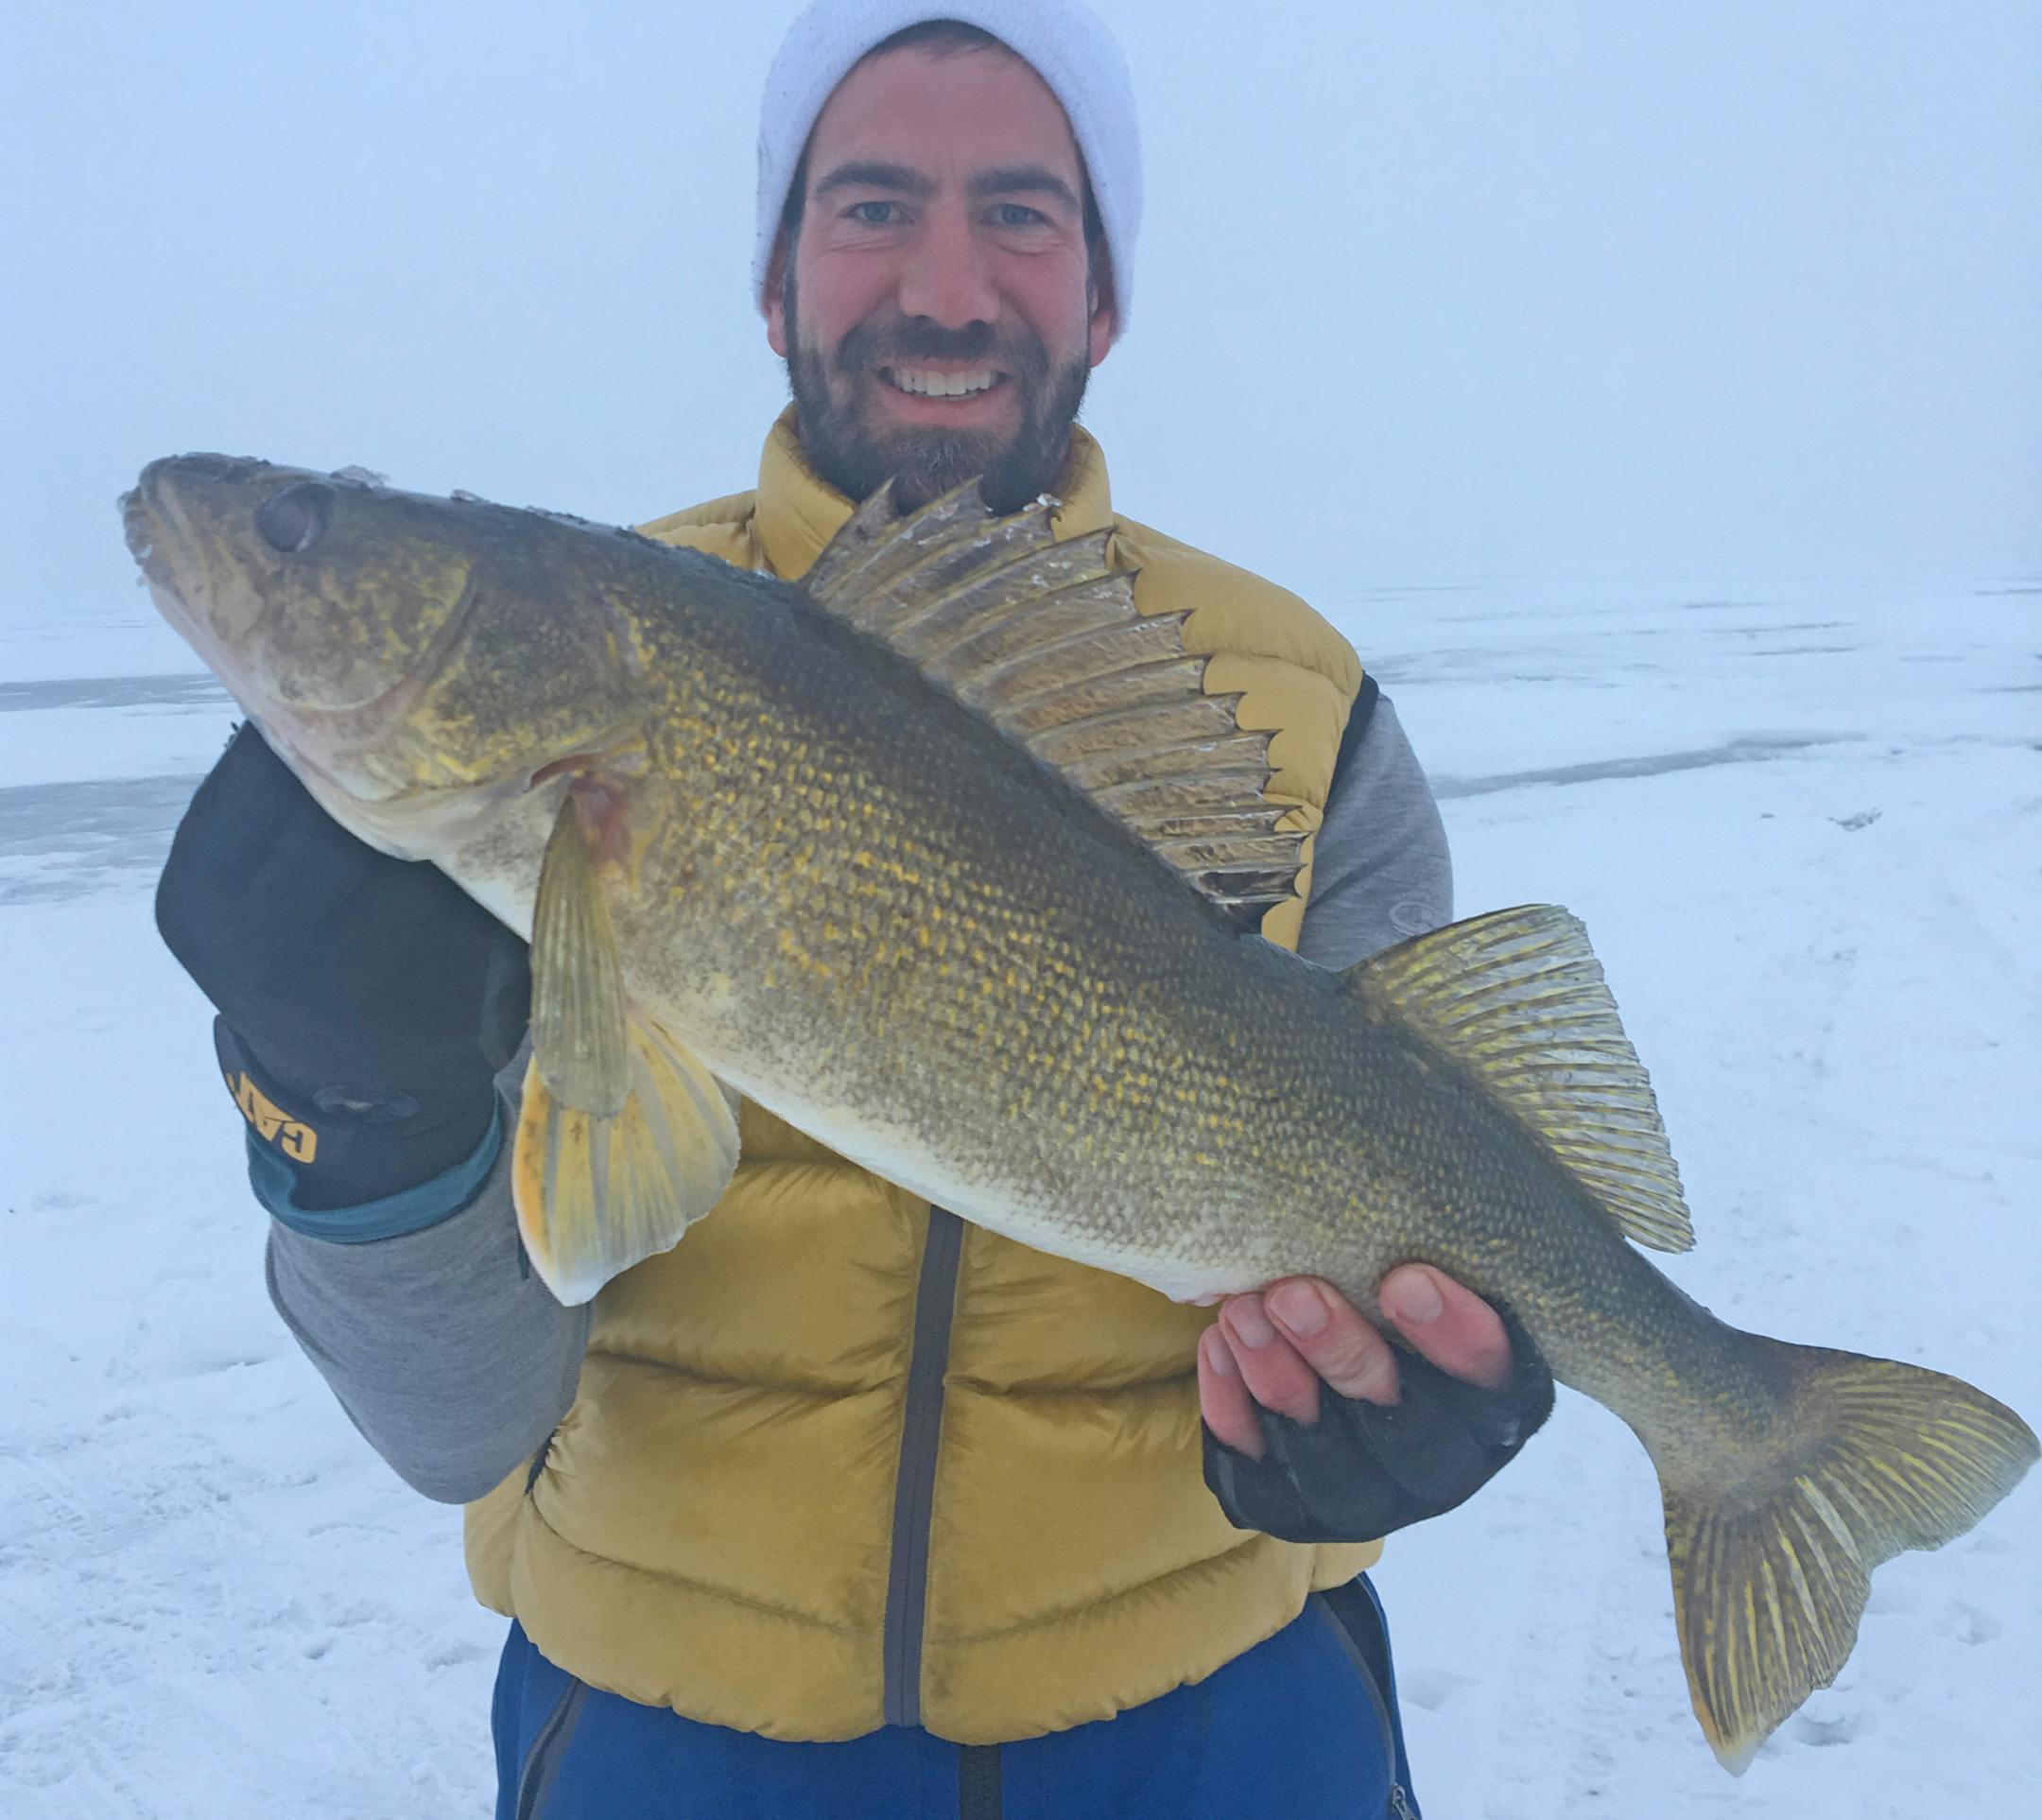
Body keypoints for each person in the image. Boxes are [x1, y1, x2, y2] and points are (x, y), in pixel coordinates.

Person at [156, 5, 1553, 1814]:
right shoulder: (581, 686)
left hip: (1217, 1718)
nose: (949, 285)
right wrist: (349, 1125)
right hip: (662, 1731)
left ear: (1107, 296)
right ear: (776, 277)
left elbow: (1456, 1176)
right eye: (875, 205)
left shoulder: (1304, 714)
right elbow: (453, 1428)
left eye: (1025, 215)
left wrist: (1441, 1397)